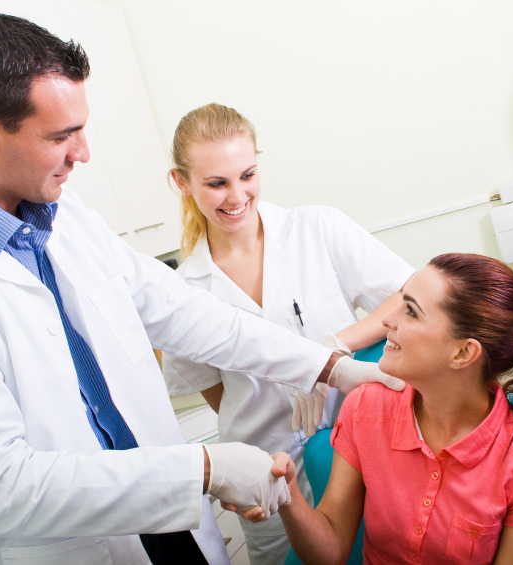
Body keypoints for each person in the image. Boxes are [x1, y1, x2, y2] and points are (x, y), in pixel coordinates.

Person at [0, 15, 366, 565]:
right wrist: (208, 467)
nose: (82, 152)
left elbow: (186, 314)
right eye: (61, 136)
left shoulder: (65, 215)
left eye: (80, 128)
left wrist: (329, 367)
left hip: (171, 527)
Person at [162, 103, 415, 564]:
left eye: (247, 174)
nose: (236, 195)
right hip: (268, 472)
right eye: (216, 183)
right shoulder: (184, 290)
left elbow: (408, 295)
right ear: (181, 183)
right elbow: (216, 393)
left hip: (359, 449)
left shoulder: (317, 228)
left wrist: (334, 350)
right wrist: (274, 405)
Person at [235, 253, 513, 565]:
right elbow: (329, 554)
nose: (388, 321)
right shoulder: (366, 408)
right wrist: (288, 496)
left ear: (463, 353)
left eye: (411, 311)